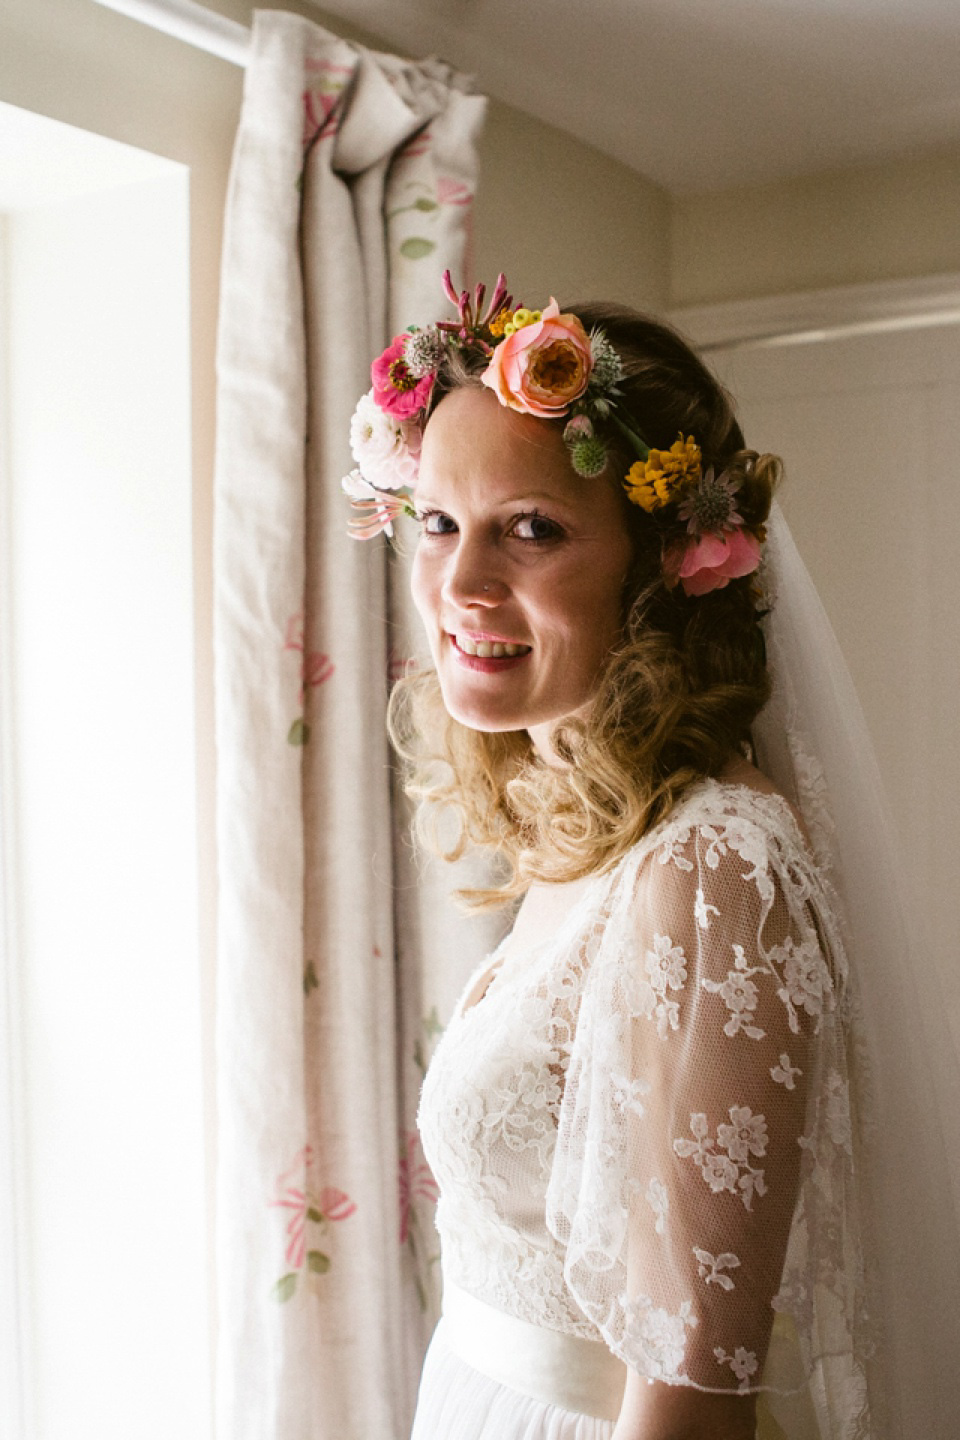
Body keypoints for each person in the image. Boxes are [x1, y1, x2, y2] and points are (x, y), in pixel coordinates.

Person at [343, 275, 960, 1440]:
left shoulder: (715, 867)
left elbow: (693, 1401)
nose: (462, 584)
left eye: (532, 528)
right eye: (436, 520)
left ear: (668, 559)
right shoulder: (594, 827)